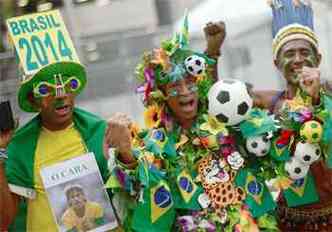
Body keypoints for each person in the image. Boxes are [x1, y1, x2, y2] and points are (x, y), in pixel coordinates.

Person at [106, 15, 279, 231]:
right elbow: (138, 184)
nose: (186, 92)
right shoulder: (157, 142)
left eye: (190, 84)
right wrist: (125, 153)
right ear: (162, 97)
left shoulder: (222, 121)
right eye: (175, 88)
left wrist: (213, 52)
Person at [209, 0, 332, 230]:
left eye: (305, 52)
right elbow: (219, 104)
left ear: (319, 59)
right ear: (276, 63)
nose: (297, 59)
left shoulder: (329, 96)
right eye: (290, 53)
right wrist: (213, 52)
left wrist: (315, 99)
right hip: (289, 222)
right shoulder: (269, 103)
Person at [0, 61, 111, 231]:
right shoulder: (19, 149)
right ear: (33, 99)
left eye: (69, 85)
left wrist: (126, 155)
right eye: (45, 90)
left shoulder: (101, 132)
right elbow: (4, 222)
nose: (60, 95)